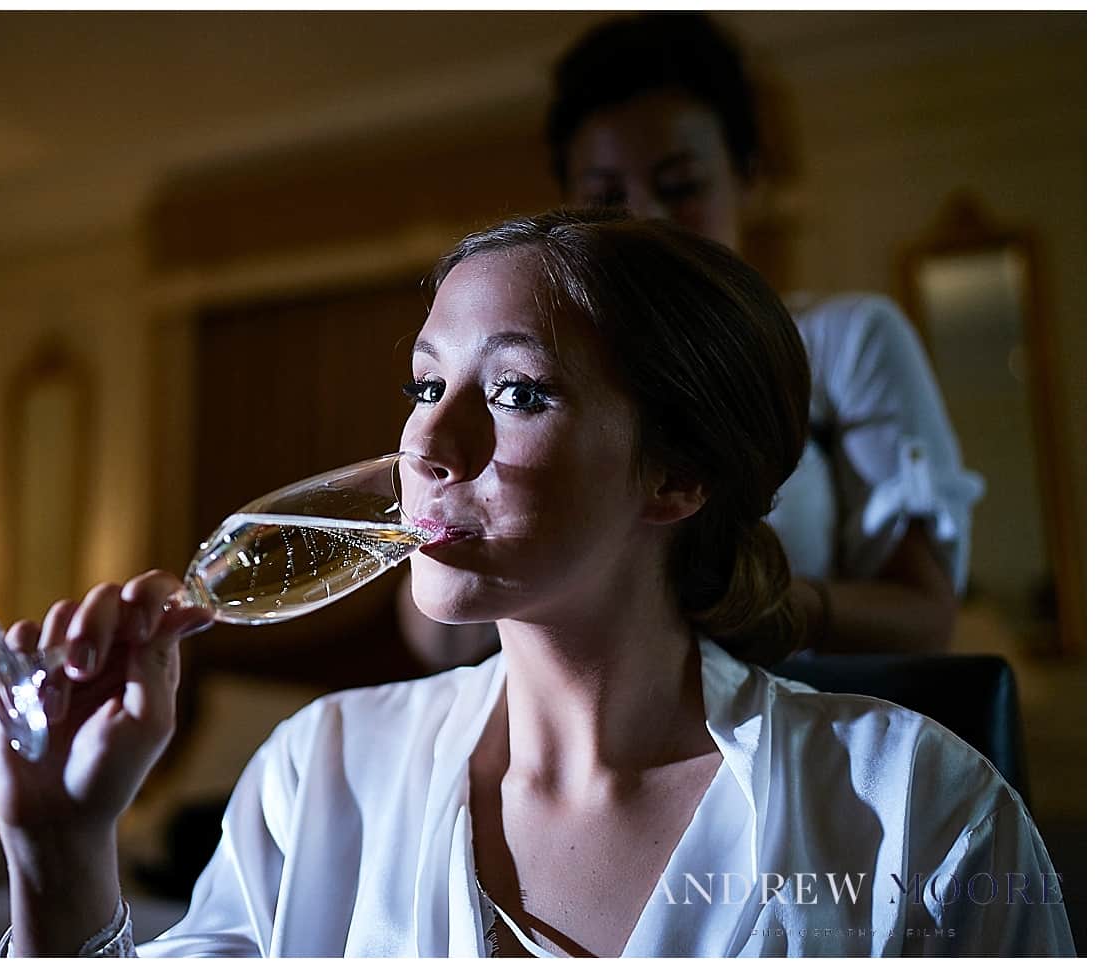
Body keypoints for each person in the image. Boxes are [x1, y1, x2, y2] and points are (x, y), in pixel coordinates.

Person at [0, 211, 1071, 956]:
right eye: (423, 381)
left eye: (515, 391)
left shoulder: (914, 812)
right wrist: (60, 849)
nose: (428, 439)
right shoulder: (319, 773)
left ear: (675, 473)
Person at [398, 13, 983, 671]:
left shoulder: (846, 340)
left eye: (680, 187)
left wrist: (752, 606)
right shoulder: (544, 363)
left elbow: (924, 616)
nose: (647, 217)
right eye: (608, 196)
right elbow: (437, 637)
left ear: (748, 176)